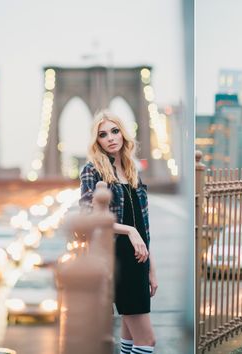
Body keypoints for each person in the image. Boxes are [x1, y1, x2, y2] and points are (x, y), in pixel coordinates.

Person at [79, 110, 157, 354]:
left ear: (123, 134)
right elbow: (88, 217)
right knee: (147, 341)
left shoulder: (133, 171)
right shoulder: (92, 170)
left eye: (115, 131)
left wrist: (151, 268)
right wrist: (129, 231)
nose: (110, 138)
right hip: (117, 257)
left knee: (130, 339)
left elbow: (143, 225)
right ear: (97, 141)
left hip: (138, 257)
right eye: (103, 134)